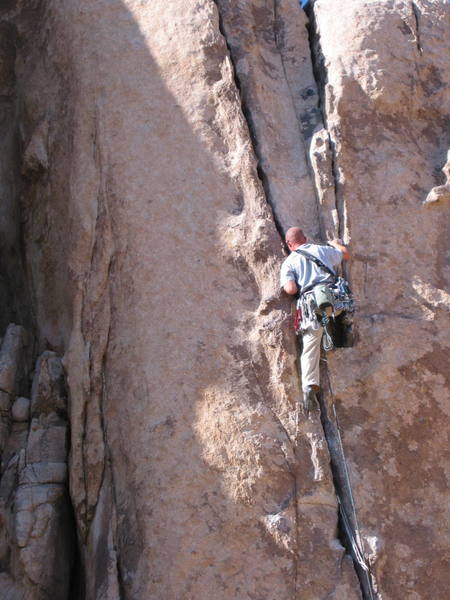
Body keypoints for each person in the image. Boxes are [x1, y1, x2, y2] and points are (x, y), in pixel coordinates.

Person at [280, 227, 350, 412]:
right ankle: (342, 331)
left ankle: (309, 386)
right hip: (334, 302)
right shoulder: (320, 250)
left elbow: (291, 289)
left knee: (310, 347)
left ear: (289, 244)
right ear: (305, 238)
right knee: (339, 312)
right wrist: (336, 244)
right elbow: (344, 255)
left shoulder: (290, 261)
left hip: (312, 308)